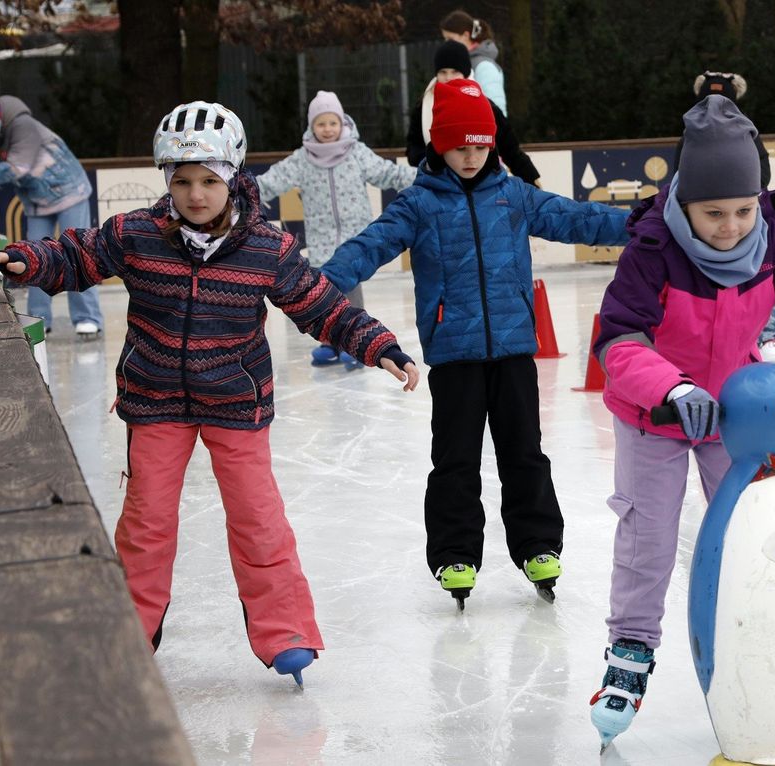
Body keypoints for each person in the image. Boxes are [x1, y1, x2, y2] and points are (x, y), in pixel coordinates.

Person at [0, 101, 420, 686]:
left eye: (209, 180)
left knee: (258, 518)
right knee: (146, 522)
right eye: (181, 180)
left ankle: (284, 629)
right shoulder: (137, 233)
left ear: (233, 176)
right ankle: (130, 629)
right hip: (156, 399)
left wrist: (377, 343)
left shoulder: (267, 248)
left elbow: (321, 304)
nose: (194, 193)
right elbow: (75, 254)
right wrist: (22, 258)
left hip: (236, 403)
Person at [587, 95, 775, 749]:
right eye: (714, 213)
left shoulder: (773, 234)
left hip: (736, 419)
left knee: (756, 530)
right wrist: (672, 386)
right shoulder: (653, 247)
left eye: (742, 210)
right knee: (649, 538)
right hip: (654, 415)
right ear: (685, 198)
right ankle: (630, 654)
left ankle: (763, 631)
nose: (729, 227)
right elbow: (618, 343)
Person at [322, 79, 629, 606]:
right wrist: (315, 284)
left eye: (480, 145)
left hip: (513, 352)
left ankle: (538, 546)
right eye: (459, 145)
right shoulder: (419, 204)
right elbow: (369, 246)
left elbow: (577, 217)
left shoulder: (513, 196)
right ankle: (455, 553)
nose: (470, 156)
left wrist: (644, 221)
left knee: (524, 454)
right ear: (439, 144)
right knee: (456, 459)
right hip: (454, 357)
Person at [257, 90, 417, 367]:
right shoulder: (302, 158)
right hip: (322, 238)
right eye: (321, 124)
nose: (328, 129)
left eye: (333, 123)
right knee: (324, 289)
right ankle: (330, 342)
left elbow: (387, 172)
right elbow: (274, 180)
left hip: (356, 237)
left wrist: (423, 175)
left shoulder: (356, 152)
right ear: (312, 126)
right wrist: (239, 190)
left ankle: (355, 343)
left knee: (351, 287)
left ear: (343, 123)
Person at [0, 84, 104, 337]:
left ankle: (88, 317)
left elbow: (16, 169)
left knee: (80, 253)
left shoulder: (22, 126)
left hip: (69, 193)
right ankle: (40, 317)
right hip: (37, 201)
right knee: (32, 256)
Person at [674, 71, 775, 361]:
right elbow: (679, 171)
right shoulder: (691, 136)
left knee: (760, 270)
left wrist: (751, 191)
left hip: (749, 205)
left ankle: (769, 332)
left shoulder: (746, 132)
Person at [405, 40, 540, 187]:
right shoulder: (423, 106)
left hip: (481, 185)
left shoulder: (483, 105)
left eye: (455, 71)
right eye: (443, 72)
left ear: (466, 73)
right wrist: (435, 163)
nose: (448, 77)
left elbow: (509, 148)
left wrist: (531, 178)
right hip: (438, 184)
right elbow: (414, 147)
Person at [439, 10, 507, 115]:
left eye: (450, 38)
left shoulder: (484, 66)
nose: (447, 43)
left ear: (466, 35)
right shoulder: (459, 63)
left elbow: (496, 111)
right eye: (445, 39)